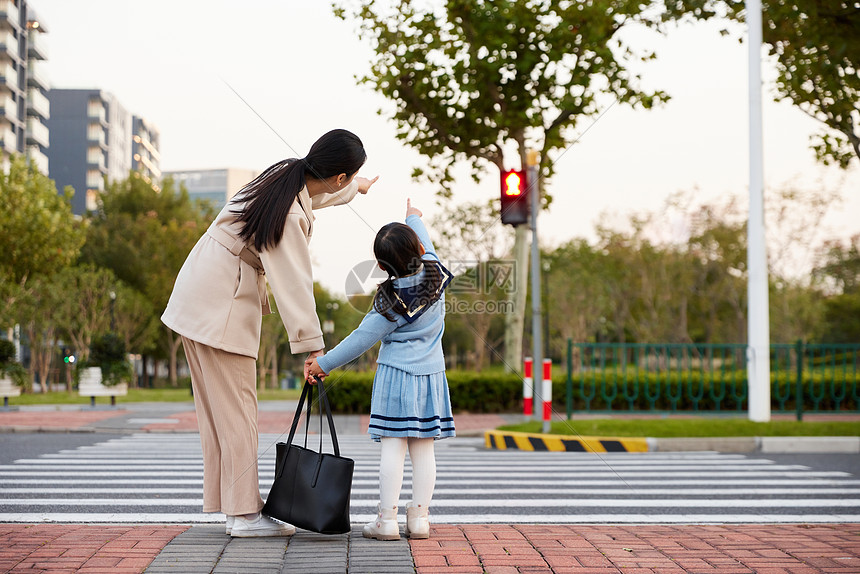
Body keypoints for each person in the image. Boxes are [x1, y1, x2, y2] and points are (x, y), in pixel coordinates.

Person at [161, 129, 378, 537]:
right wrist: (314, 349)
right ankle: (243, 516)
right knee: (239, 412)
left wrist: (355, 189)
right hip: (219, 304)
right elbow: (294, 281)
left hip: (199, 294)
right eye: (350, 178)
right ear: (340, 175)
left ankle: (236, 508)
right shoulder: (290, 215)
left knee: (222, 414)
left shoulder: (282, 176)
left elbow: (320, 194)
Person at [306, 198, 455, 541]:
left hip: (395, 376)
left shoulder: (388, 303)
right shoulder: (435, 271)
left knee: (393, 446)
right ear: (419, 248)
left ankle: (385, 521)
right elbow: (423, 241)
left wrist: (323, 364)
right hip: (431, 376)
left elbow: (360, 340)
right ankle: (419, 521)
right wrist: (414, 217)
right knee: (423, 449)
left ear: (381, 265)